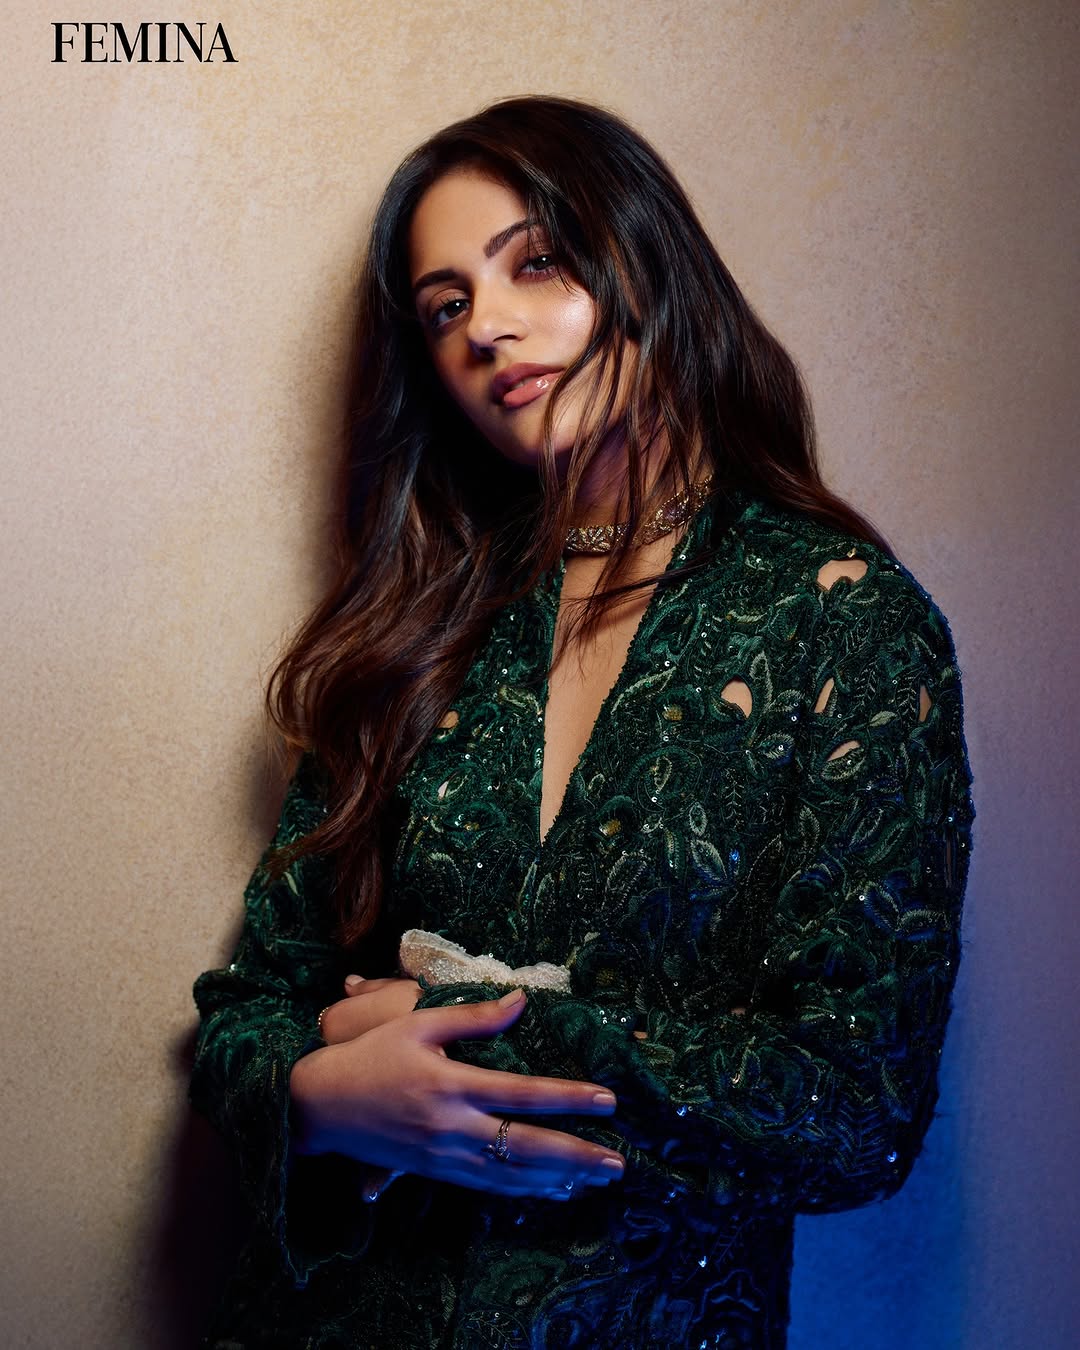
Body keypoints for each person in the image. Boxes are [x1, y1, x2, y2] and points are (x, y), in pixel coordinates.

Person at [190, 94, 975, 1349]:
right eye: (445, 308)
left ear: (648, 261)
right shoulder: (420, 627)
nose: (487, 328)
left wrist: (471, 1039)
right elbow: (247, 1008)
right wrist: (322, 1094)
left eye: (538, 263)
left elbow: (857, 1111)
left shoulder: (846, 622)